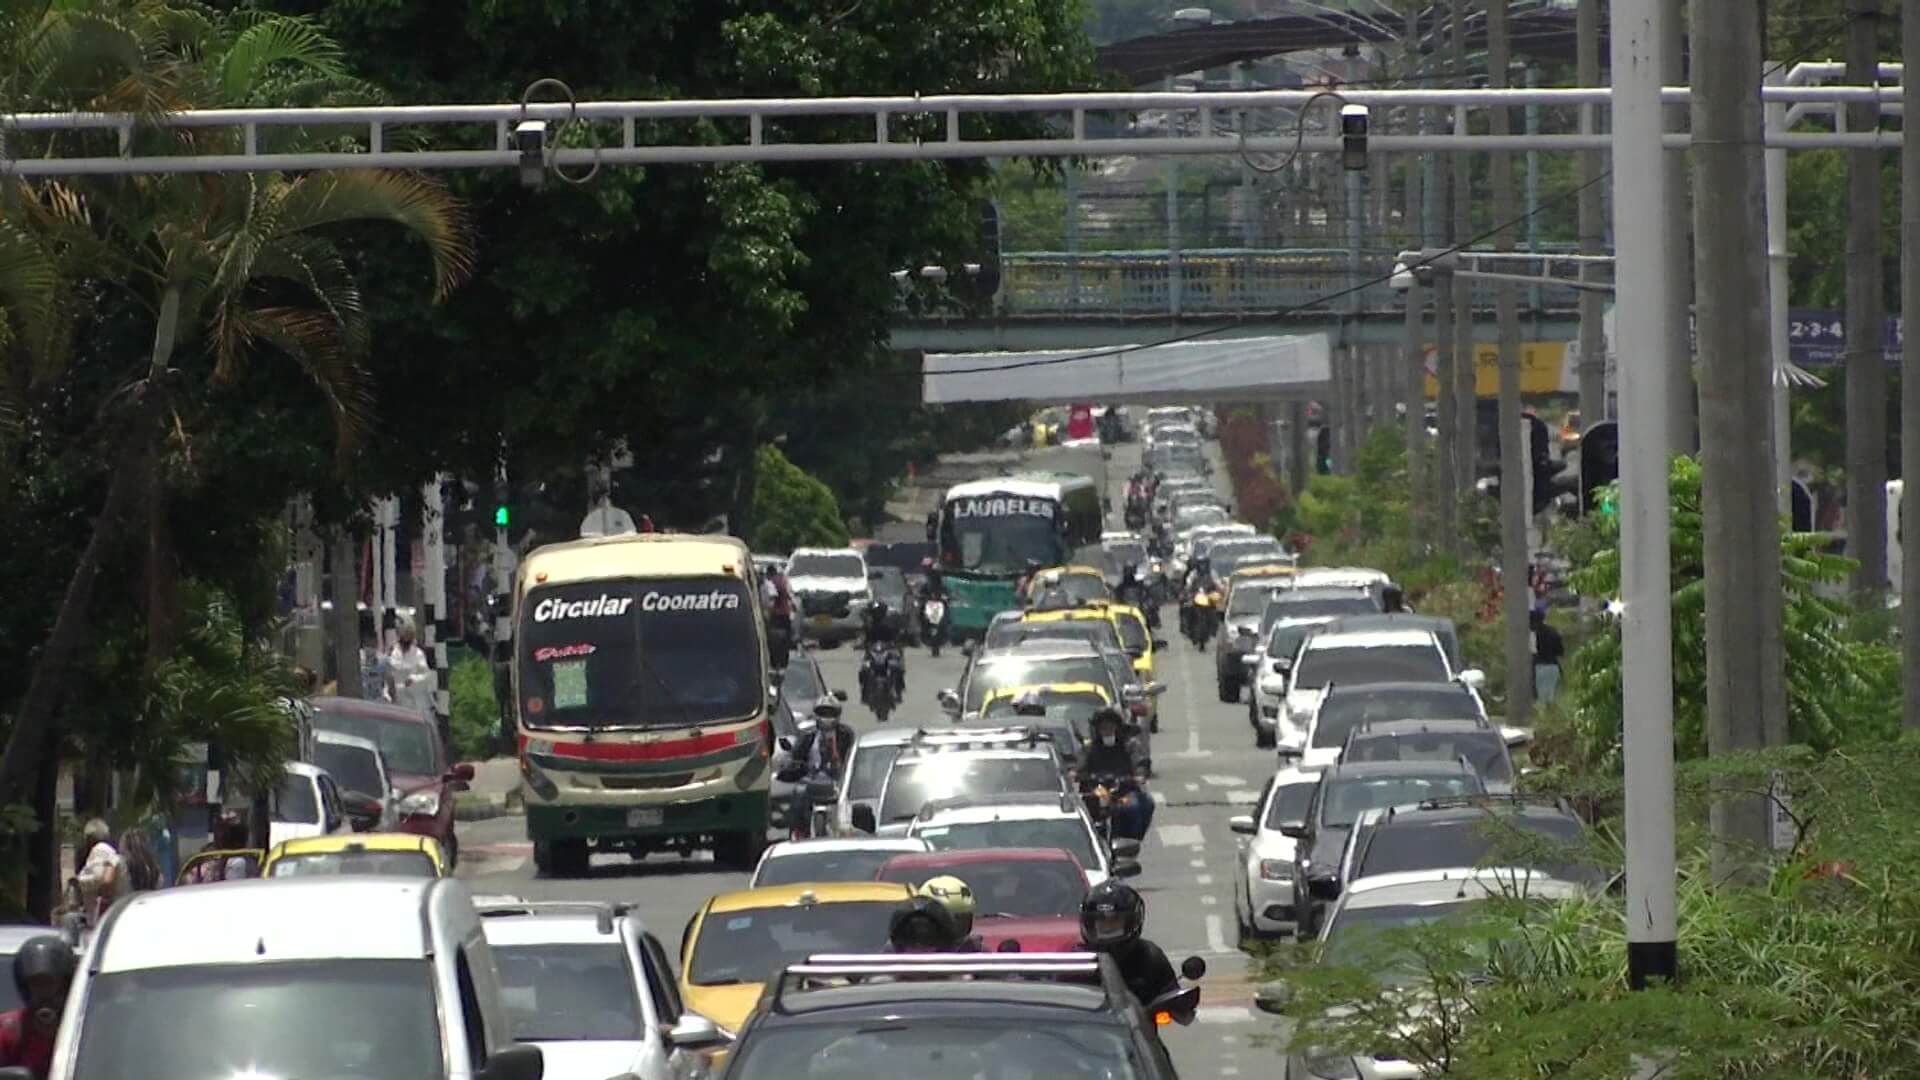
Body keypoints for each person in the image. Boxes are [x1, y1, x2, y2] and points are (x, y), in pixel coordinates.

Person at [1079, 881, 1178, 1013]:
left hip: (1139, 1031)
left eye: (1114, 922)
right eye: (1101, 923)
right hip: (1084, 1030)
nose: (1108, 928)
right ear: (1089, 924)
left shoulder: (1149, 956)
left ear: (1133, 921)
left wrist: (1180, 1004)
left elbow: (1177, 1005)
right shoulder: (1076, 959)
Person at [0, 936, 77, 1078]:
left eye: (49, 983)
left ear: (65, 984)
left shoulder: (84, 1026)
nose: (43, 993)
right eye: (36, 984)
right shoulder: (10, 1029)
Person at [1076, 710, 1153, 840]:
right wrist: (1075, 773)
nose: (1107, 731)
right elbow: (1078, 767)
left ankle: (1131, 840)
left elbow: (1139, 762)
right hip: (1096, 792)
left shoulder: (1129, 745)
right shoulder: (1088, 748)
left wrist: (1139, 773)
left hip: (1123, 792)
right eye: (1103, 728)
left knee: (1141, 805)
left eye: (1110, 727)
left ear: (1117, 728)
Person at [73, 818, 128, 920]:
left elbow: (100, 878)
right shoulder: (110, 852)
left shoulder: (100, 849)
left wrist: (80, 881)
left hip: (98, 911)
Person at [915, 875, 985, 952]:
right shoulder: (906, 954)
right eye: (945, 921)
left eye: (961, 919)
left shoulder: (978, 953)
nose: (953, 930)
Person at [887, 895, 968, 954]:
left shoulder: (967, 975)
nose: (919, 946)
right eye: (911, 937)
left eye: (928, 938)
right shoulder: (878, 972)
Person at [387, 623, 434, 719]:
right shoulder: (393, 652)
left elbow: (426, 674)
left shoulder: (418, 653)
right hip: (395, 695)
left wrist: (414, 679)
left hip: (414, 698)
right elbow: (388, 671)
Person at [1531, 608, 1565, 703]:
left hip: (1542, 667)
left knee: (1541, 699)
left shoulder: (1538, 634)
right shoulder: (1554, 631)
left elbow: (1540, 652)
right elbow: (1561, 652)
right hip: (1553, 666)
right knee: (1549, 698)